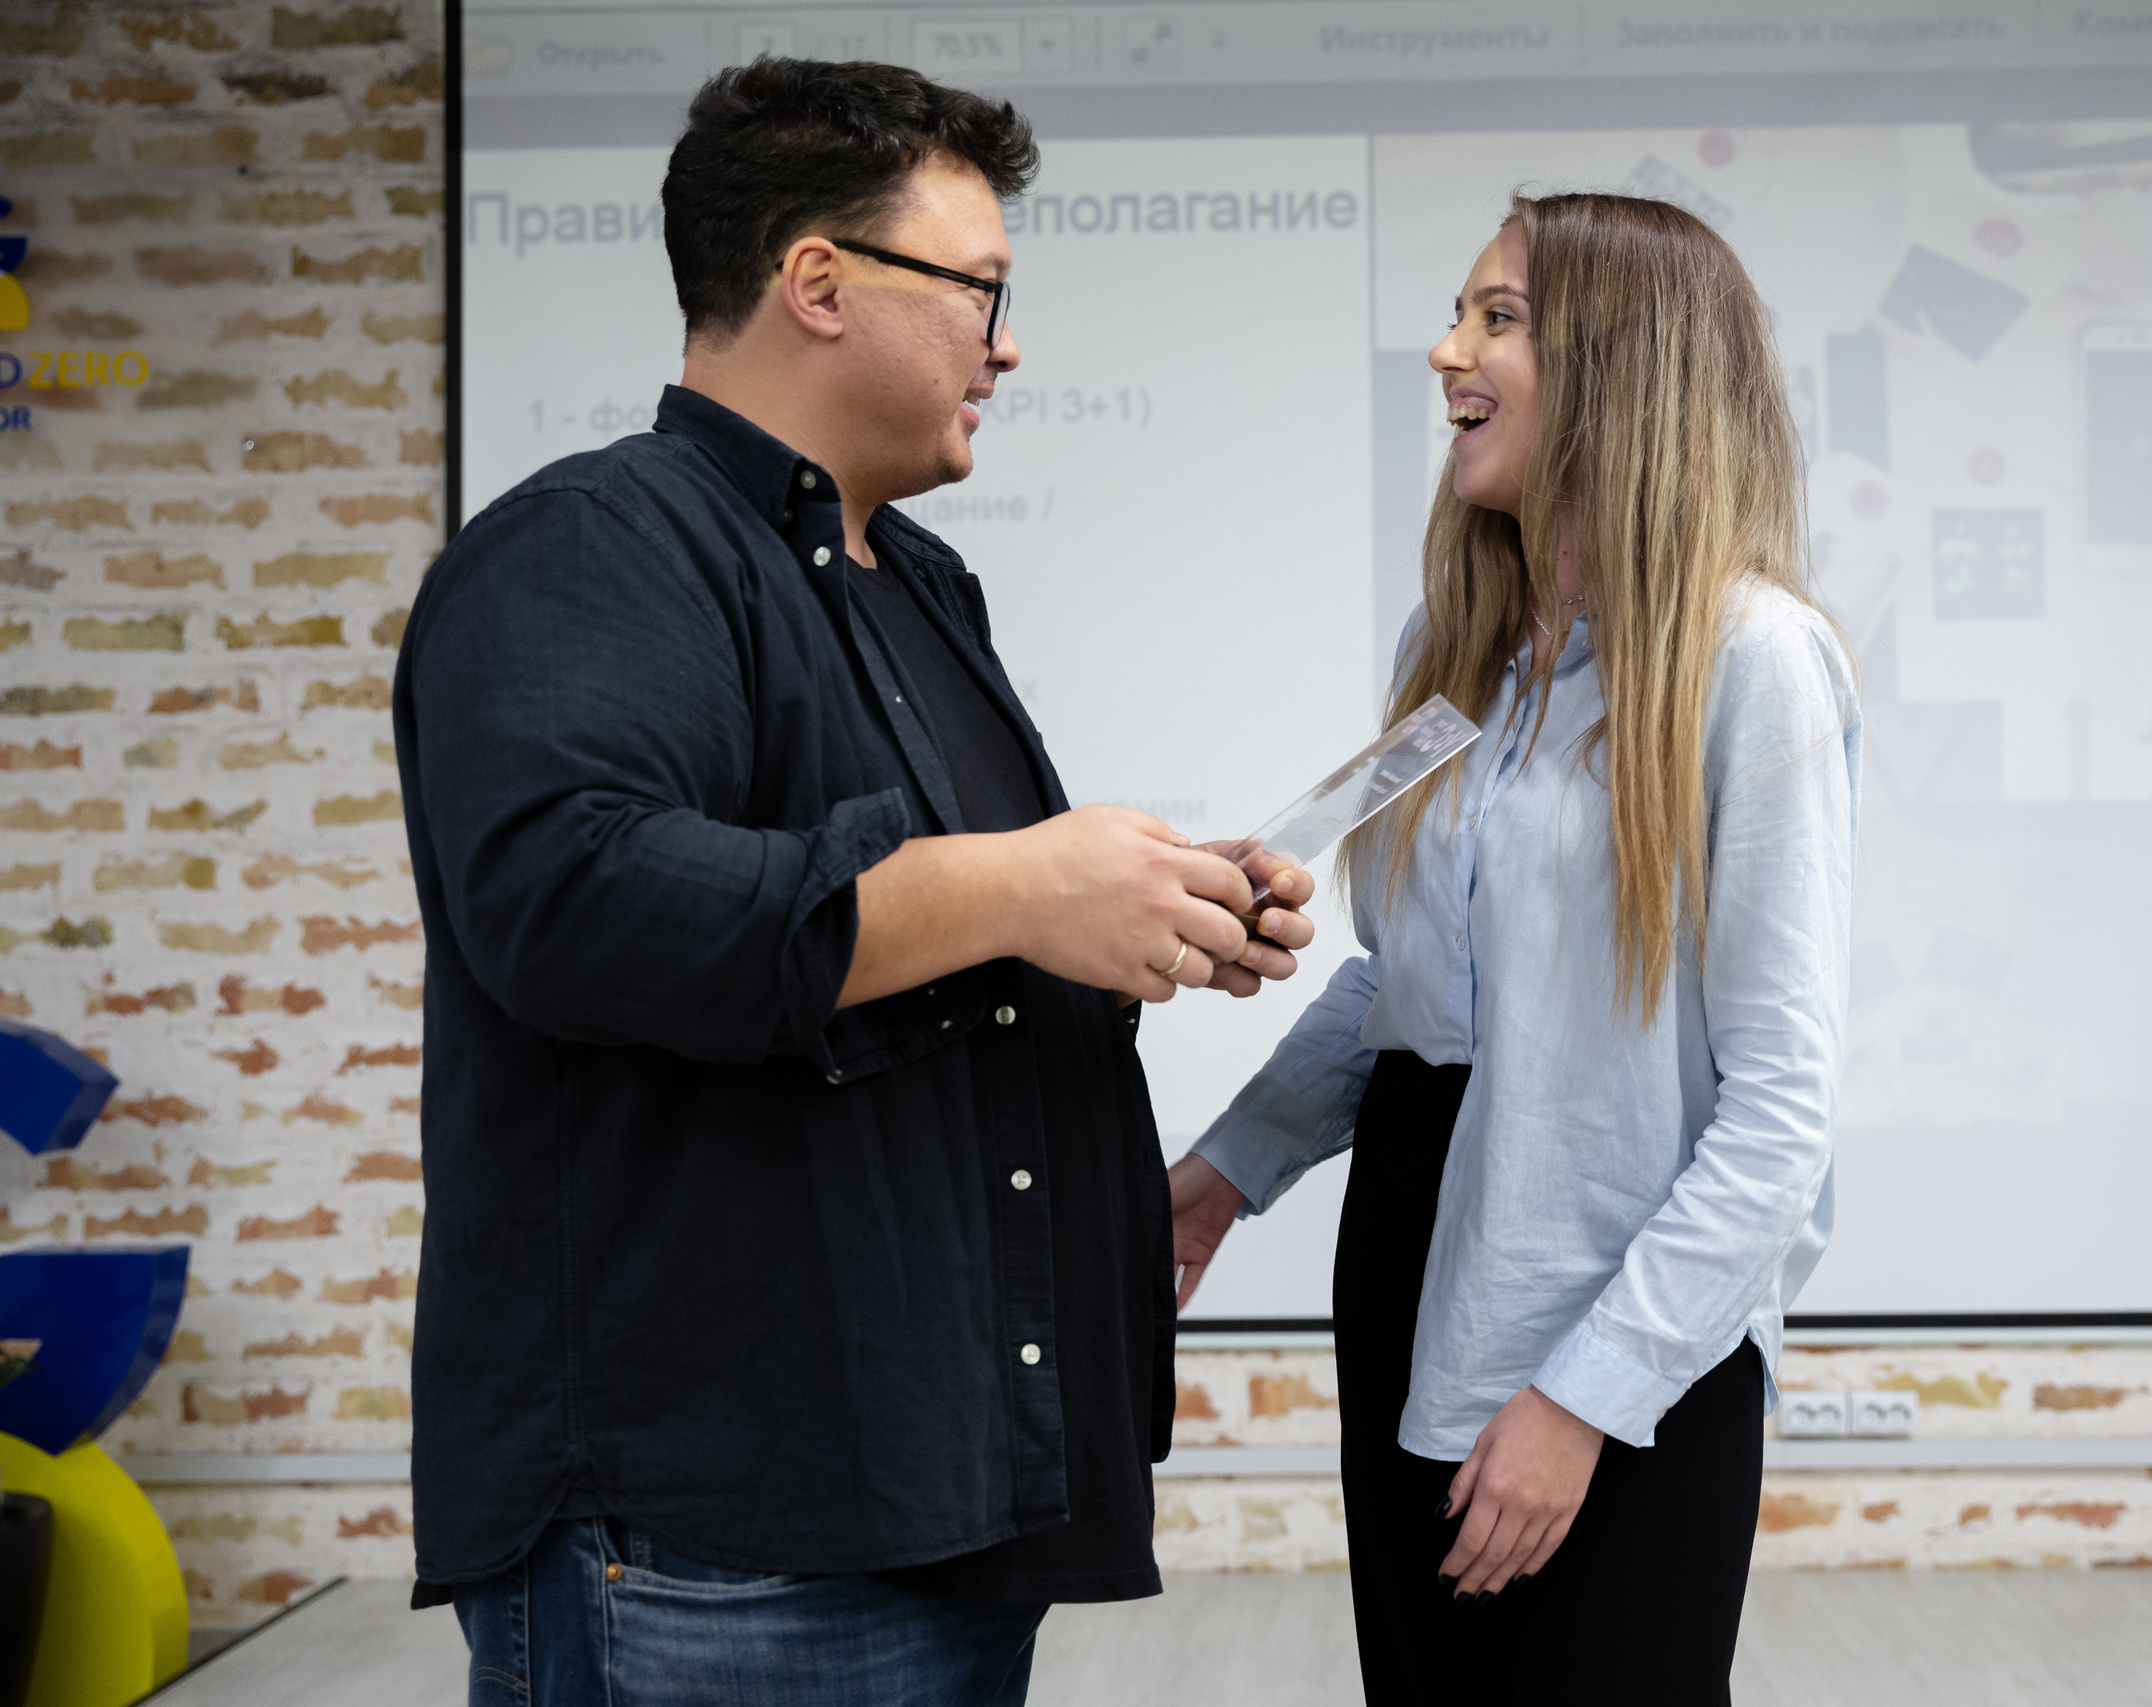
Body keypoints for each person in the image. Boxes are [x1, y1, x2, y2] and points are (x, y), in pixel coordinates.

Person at [393, 59, 1316, 1707]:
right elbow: (576, 902)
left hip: (930, 1497)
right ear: (818, 281)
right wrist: (1020, 892)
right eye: (981, 291)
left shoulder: (917, 583)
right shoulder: (597, 543)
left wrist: (1131, 911)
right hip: (711, 1540)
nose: (1007, 347)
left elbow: (913, 945)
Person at [1168, 191, 1859, 1703]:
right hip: (1413, 1238)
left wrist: (1585, 1398)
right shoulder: (1454, 651)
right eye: (1456, 314)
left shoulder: (1753, 661)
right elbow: (1405, 992)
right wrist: (1223, 1174)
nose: (1446, 352)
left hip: (1620, 1298)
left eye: (1499, 319)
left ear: (1623, 366)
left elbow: (1782, 1110)